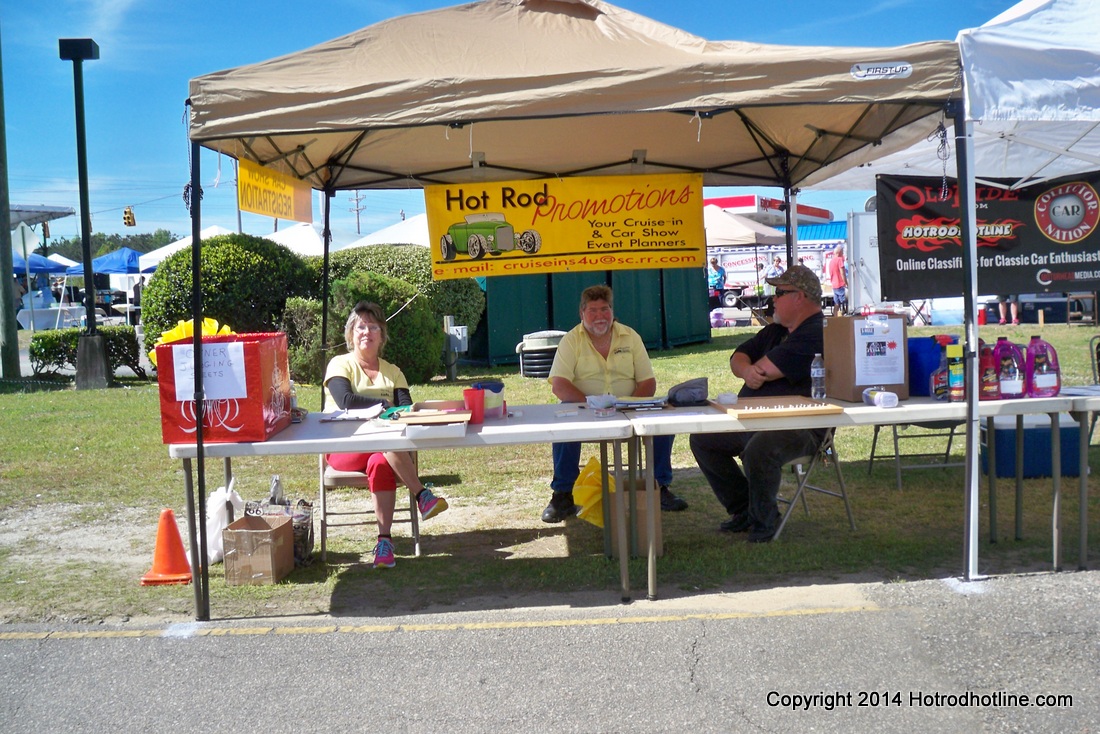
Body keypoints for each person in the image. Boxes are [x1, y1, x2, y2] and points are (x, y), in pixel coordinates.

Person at [688, 265, 827, 543]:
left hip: (802, 426)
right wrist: (746, 371)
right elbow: (738, 357)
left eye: (780, 292)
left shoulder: (816, 332)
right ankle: (744, 510)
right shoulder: (776, 330)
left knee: (759, 449)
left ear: (799, 297)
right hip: (755, 421)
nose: (773, 299)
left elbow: (766, 368)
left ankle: (765, 522)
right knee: (703, 440)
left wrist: (752, 370)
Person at [542, 284, 687, 523]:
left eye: (604, 309)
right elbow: (559, 385)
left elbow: (647, 382)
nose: (600, 316)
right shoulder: (571, 340)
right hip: (584, 408)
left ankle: (658, 487)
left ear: (612, 311)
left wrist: (628, 406)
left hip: (628, 408)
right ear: (582, 313)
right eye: (593, 310)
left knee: (663, 425)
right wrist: (592, 404)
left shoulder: (630, 336)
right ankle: (563, 494)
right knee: (563, 427)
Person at [322, 301, 449, 568]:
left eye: (373, 327)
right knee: (385, 439)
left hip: (382, 451)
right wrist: (383, 408)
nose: (366, 332)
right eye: (360, 327)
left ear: (382, 335)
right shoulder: (339, 363)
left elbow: (404, 408)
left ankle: (384, 543)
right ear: (350, 334)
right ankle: (421, 495)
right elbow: (344, 400)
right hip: (343, 448)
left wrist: (390, 411)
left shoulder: (393, 372)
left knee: (380, 460)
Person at [826, 245, 848, 315]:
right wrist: (846, 282)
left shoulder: (831, 261)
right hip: (840, 284)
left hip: (834, 285)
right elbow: (842, 273)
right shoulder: (839, 260)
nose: (843, 254)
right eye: (842, 252)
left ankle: (835, 318)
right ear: (839, 253)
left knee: (836, 303)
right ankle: (846, 317)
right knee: (845, 302)